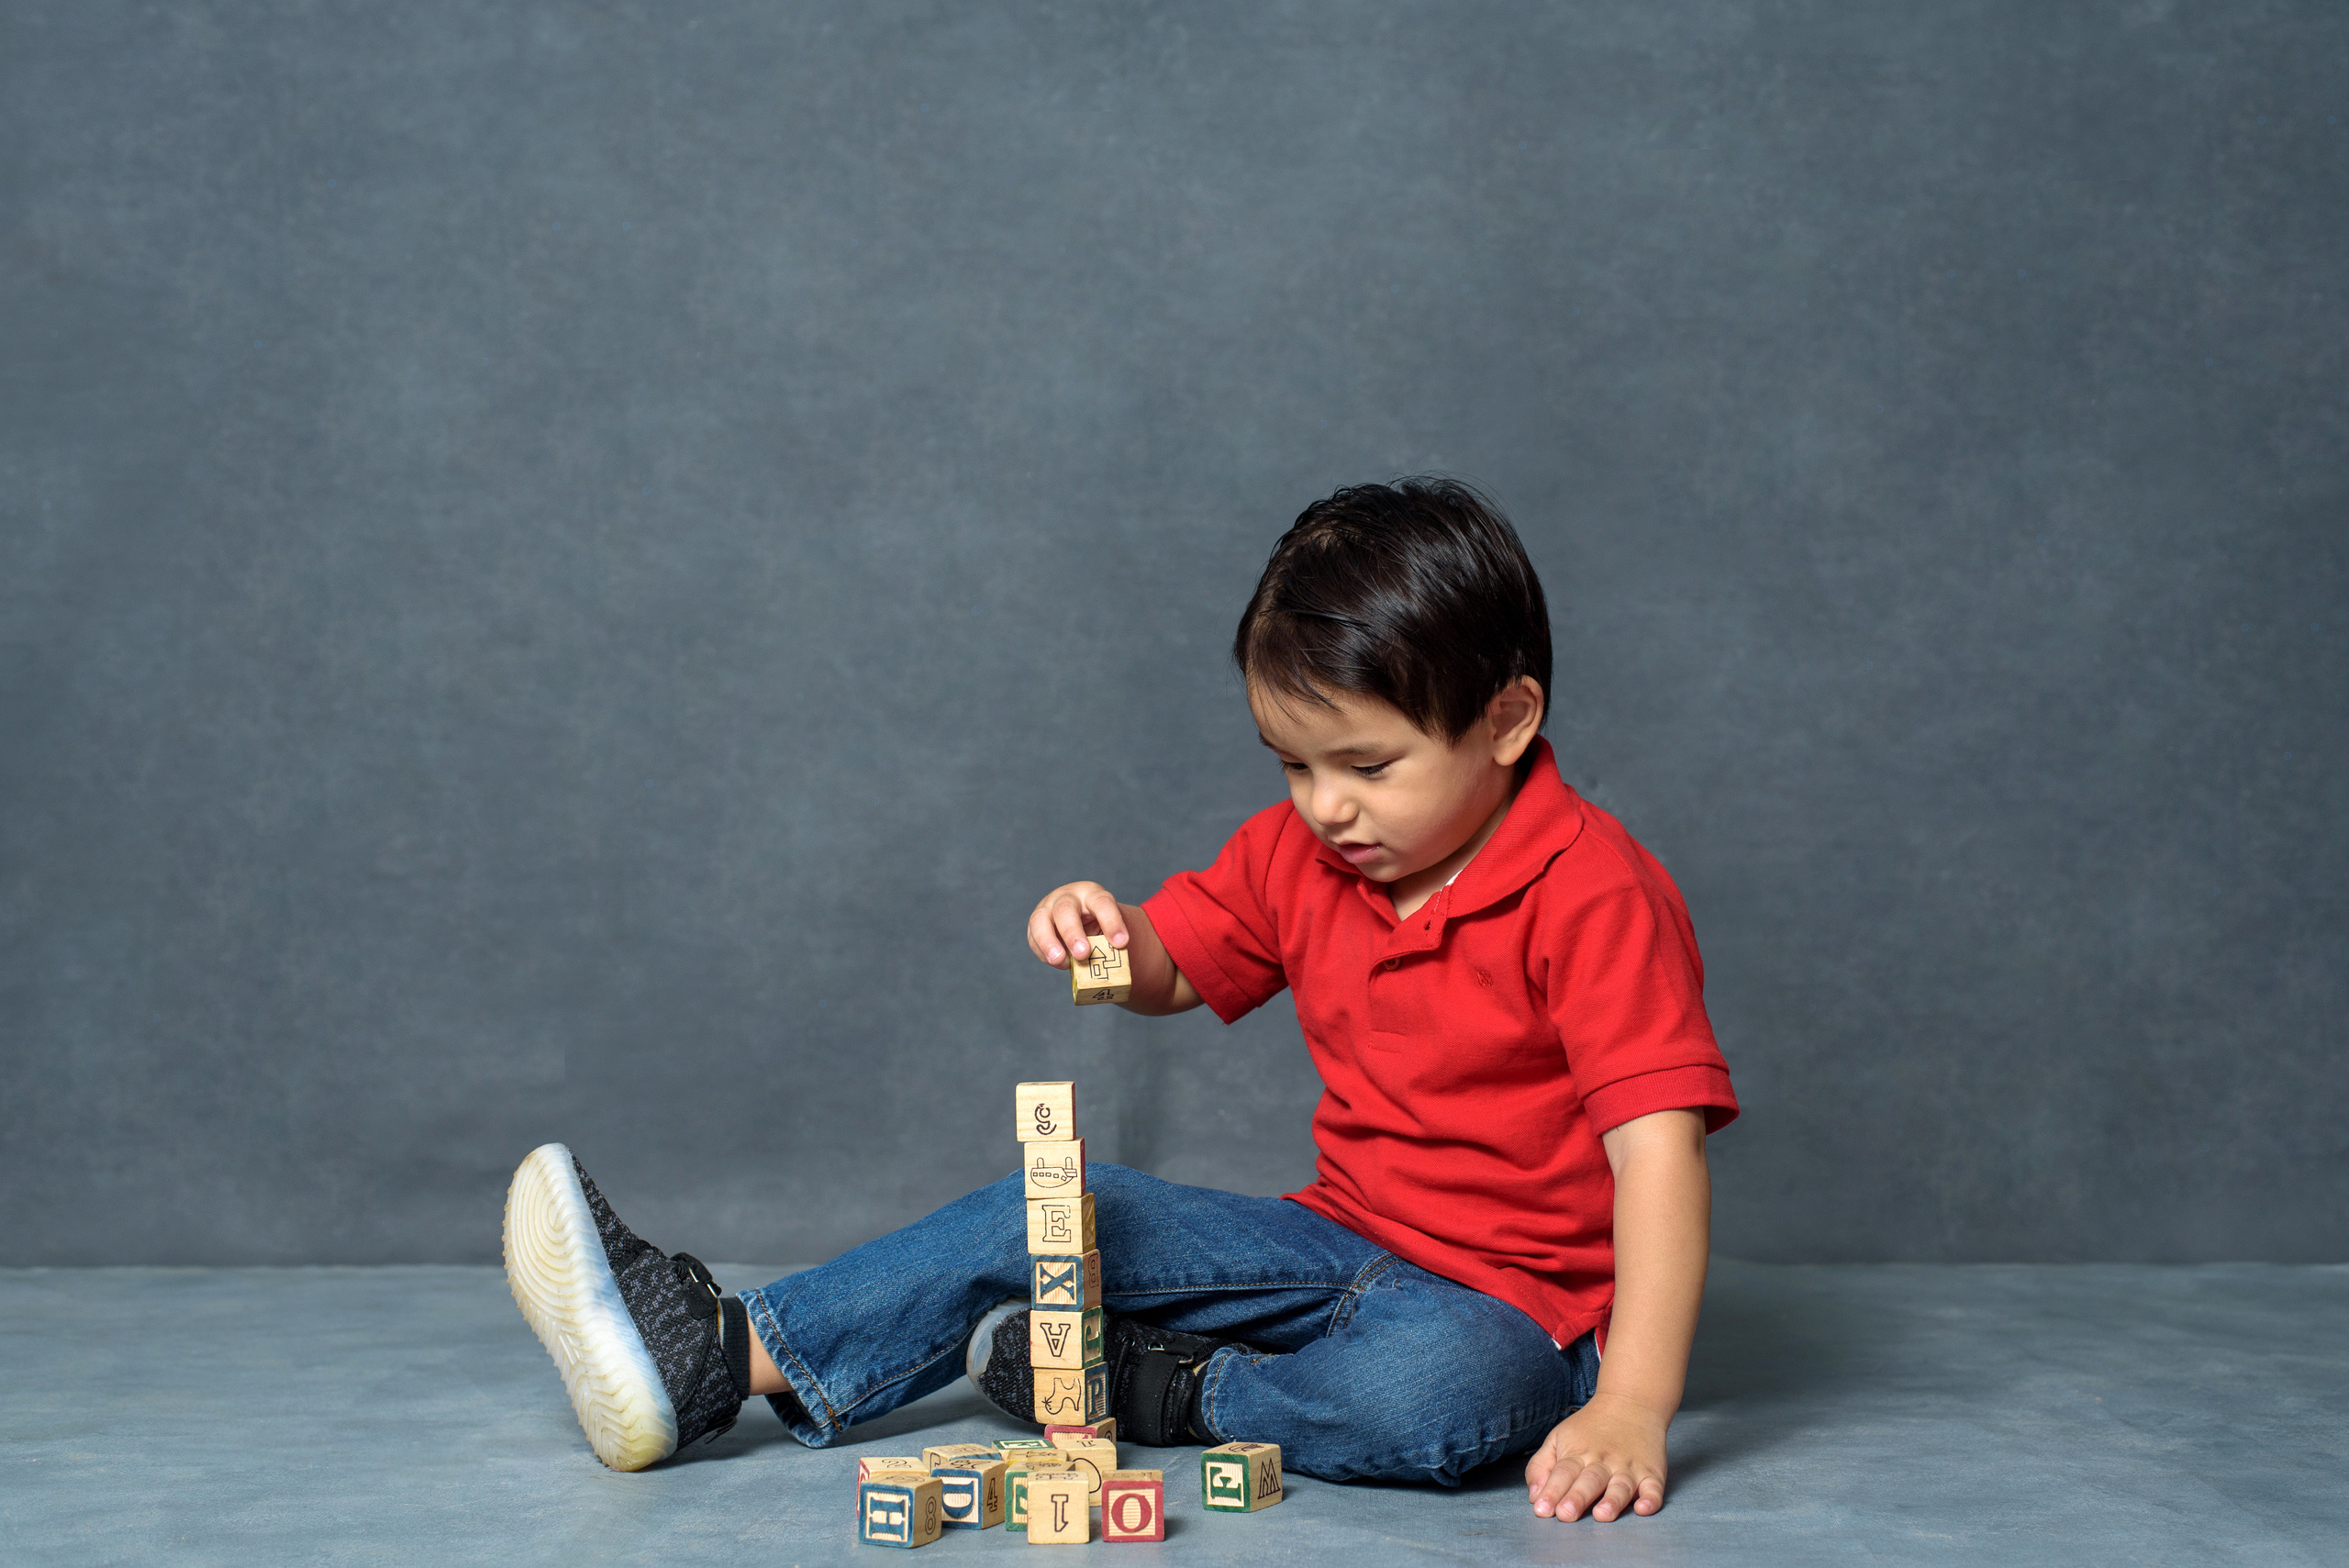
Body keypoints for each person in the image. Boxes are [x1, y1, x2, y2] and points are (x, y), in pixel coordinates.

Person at [502, 477, 1738, 1524]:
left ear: (1507, 720)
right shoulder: (1301, 853)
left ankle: (1177, 1389)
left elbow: (1658, 1160)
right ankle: (715, 1352)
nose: (1327, 807)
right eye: (1294, 765)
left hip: (1517, 1305)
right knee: (1071, 1205)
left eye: (1368, 766)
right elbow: (1177, 963)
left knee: (1443, 1395)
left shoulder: (1595, 892)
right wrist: (1103, 937)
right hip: (1335, 1239)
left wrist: (1631, 1400)